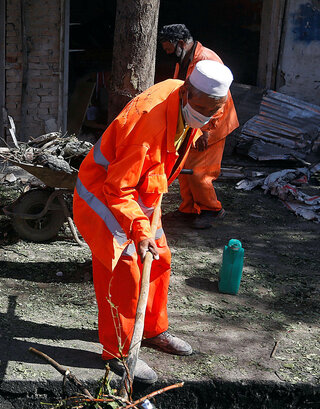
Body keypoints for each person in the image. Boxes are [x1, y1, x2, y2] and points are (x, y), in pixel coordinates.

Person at [73, 60, 234, 384]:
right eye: (200, 109)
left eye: (212, 111)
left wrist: (200, 126)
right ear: (187, 92)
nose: (205, 117)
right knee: (125, 273)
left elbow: (169, 152)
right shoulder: (145, 125)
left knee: (159, 259)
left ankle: (151, 330)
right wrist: (138, 230)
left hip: (145, 194)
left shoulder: (194, 100)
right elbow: (118, 189)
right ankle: (119, 351)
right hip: (106, 199)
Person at [158, 24, 239, 229]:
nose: (166, 52)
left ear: (181, 43)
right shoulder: (186, 59)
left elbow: (217, 100)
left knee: (200, 171)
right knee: (185, 167)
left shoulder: (207, 61)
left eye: (168, 47)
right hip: (195, 121)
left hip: (211, 124)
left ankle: (211, 209)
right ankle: (188, 209)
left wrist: (206, 131)